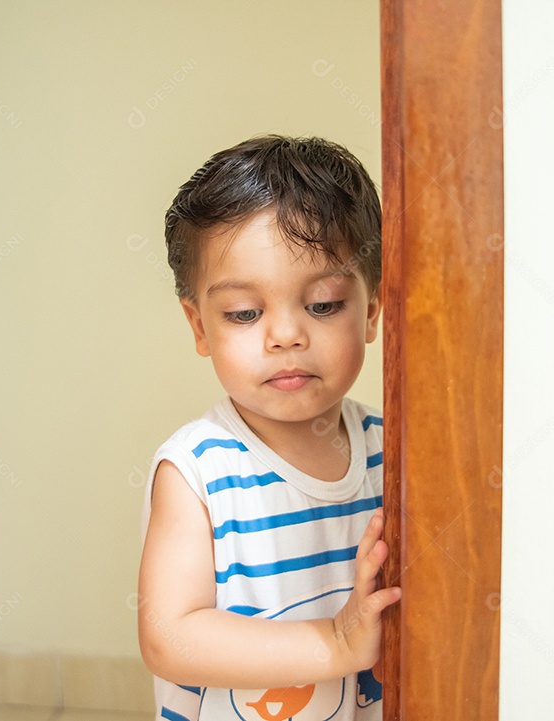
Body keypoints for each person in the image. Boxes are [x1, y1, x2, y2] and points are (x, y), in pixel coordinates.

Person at [138, 135, 400, 721]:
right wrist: (334, 640)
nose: (285, 336)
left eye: (324, 304)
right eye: (244, 314)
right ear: (199, 325)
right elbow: (170, 638)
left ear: (374, 307)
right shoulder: (197, 471)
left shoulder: (394, 448)